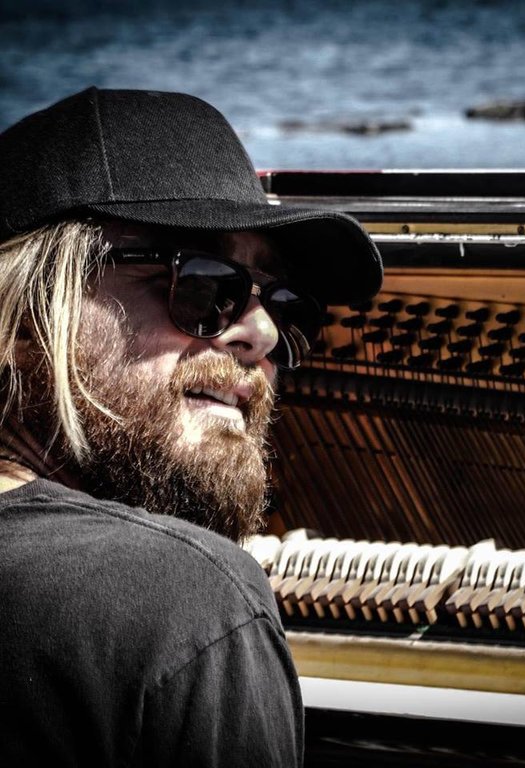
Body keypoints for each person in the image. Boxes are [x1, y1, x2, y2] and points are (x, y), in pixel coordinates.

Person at [0, 87, 383, 765]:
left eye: (285, 304)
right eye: (202, 283)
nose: (263, 334)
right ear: (26, 318)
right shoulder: (188, 601)